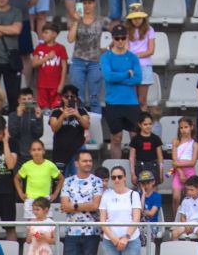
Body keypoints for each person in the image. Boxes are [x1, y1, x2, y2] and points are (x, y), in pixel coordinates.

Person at [102, 22, 143, 160]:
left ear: (127, 38)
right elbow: (108, 77)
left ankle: (137, 166)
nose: (120, 41)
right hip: (113, 102)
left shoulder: (133, 57)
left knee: (135, 136)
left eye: (123, 38)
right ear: (112, 39)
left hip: (131, 102)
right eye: (117, 38)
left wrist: (117, 78)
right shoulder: (106, 57)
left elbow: (137, 79)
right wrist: (126, 74)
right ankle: (116, 168)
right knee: (116, 137)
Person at [60, 150, 103, 255]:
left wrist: (73, 205)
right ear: (76, 163)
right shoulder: (68, 181)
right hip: (71, 232)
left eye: (90, 161)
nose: (88, 163)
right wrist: (85, 205)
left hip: (92, 233)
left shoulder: (97, 181)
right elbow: (65, 206)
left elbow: (95, 206)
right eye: (84, 161)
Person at [99, 165, 143, 255]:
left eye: (119, 177)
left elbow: (136, 219)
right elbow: (102, 220)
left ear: (125, 178)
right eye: (113, 177)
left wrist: (126, 237)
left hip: (131, 239)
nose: (117, 180)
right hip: (110, 241)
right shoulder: (106, 195)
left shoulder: (134, 194)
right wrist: (113, 239)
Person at [50, 84, 91, 177]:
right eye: (66, 96)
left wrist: (77, 115)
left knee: (79, 179)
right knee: (60, 180)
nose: (69, 99)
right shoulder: (56, 112)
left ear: (76, 98)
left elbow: (86, 125)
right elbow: (54, 128)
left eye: (72, 96)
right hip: (60, 151)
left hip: (78, 150)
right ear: (62, 98)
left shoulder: (82, 111)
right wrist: (63, 116)